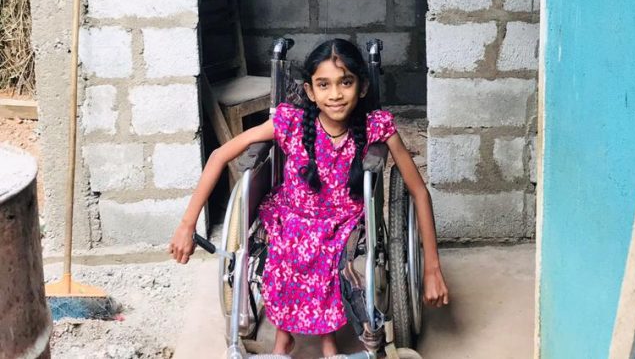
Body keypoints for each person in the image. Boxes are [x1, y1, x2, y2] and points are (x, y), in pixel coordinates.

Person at [169, 38, 449, 358]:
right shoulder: (290, 123)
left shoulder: (376, 127)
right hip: (290, 213)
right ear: (310, 91)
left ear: (362, 87)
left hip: (344, 220)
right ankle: (286, 338)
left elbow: (418, 192)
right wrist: (187, 225)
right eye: (323, 84)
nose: (335, 94)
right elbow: (219, 155)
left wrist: (432, 268)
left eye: (345, 82)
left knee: (327, 252)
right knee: (289, 245)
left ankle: (326, 340)